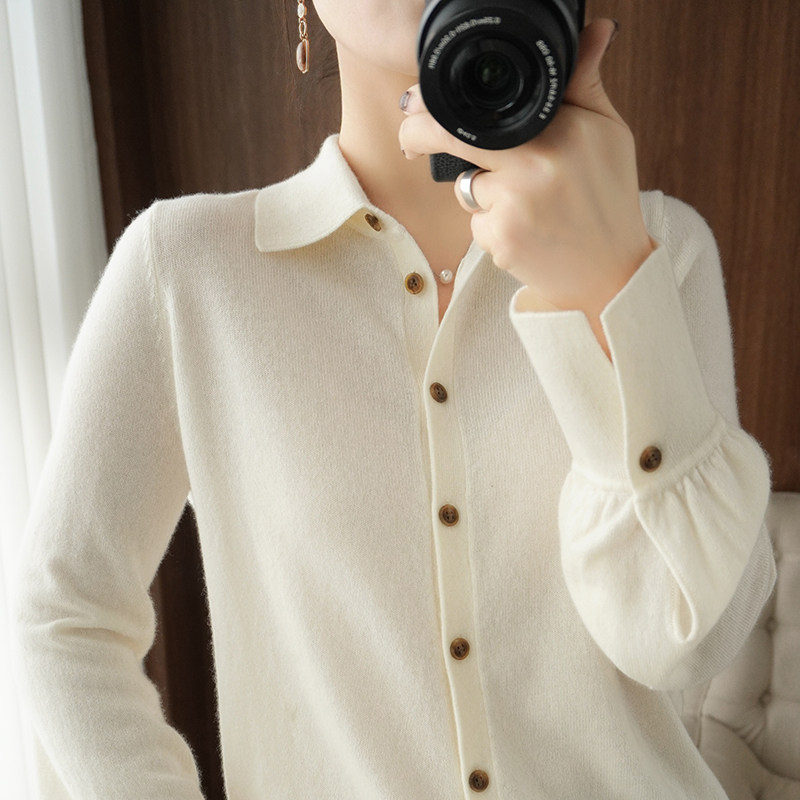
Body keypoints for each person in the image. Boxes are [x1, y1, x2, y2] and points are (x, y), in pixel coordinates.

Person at [12, 2, 775, 798]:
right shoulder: (185, 270)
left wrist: (606, 287)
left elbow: (688, 642)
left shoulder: (659, 248)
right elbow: (65, 616)